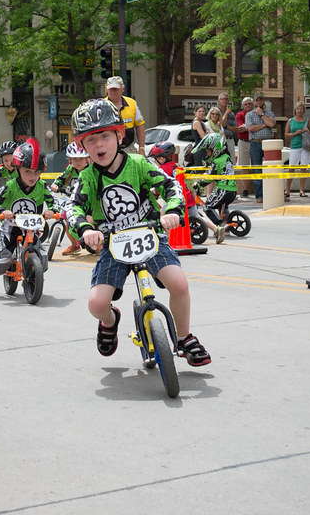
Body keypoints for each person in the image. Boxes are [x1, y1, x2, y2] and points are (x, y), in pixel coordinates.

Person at [67, 98, 211, 367]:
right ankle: (110, 322)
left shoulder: (138, 163)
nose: (99, 144)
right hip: (113, 245)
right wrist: (86, 229)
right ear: (82, 145)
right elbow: (72, 207)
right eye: (91, 140)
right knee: (96, 305)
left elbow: (170, 185)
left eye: (105, 136)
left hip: (149, 235)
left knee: (178, 283)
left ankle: (184, 337)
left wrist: (172, 211)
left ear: (119, 135)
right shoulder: (87, 177)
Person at [0, 138, 56, 287]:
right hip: (10, 228)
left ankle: (29, 275)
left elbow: (54, 200)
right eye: (27, 171)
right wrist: (2, 211)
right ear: (17, 169)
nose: (33, 176)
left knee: (43, 259)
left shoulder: (42, 186)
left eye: (37, 172)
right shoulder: (11, 186)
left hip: (31, 228)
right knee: (1, 264)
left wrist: (53, 210)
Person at [147, 141, 218, 243]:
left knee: (162, 217)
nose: (154, 162)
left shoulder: (163, 169)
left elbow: (161, 182)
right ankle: (216, 229)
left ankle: (165, 239)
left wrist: (154, 192)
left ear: (161, 158)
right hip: (187, 196)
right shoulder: (175, 166)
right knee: (196, 217)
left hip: (175, 199)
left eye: (155, 159)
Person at [190, 132, 236, 244]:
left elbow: (209, 178)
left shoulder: (217, 161)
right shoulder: (227, 157)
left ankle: (220, 225)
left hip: (223, 188)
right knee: (221, 204)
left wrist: (198, 184)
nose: (207, 154)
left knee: (207, 207)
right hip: (232, 190)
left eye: (208, 151)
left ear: (216, 149)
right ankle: (227, 221)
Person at [49, 142, 92, 255]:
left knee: (91, 221)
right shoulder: (70, 170)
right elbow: (60, 179)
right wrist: (56, 185)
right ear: (70, 160)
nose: (78, 162)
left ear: (87, 159)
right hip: (72, 201)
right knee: (69, 224)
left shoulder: (91, 171)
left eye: (81, 159)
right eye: (75, 159)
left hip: (88, 202)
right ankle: (74, 245)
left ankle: (98, 245)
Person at [245, 94, 276, 202]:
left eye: (260, 100)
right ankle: (259, 196)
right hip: (255, 143)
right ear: (254, 102)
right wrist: (264, 125)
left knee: (272, 168)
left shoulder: (269, 113)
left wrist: (262, 114)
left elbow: (271, 124)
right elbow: (250, 128)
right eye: (257, 100)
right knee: (256, 169)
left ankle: (273, 193)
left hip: (268, 144)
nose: (259, 102)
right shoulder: (249, 114)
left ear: (263, 101)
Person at [104, 76, 146, 154]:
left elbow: (140, 126)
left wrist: (141, 148)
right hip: (108, 150)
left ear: (122, 89)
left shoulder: (132, 103)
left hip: (129, 149)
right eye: (111, 89)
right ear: (106, 89)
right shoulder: (101, 105)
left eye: (116, 89)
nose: (113, 92)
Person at [284, 101, 310, 199]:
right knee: (291, 168)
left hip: (306, 147)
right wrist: (295, 133)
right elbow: (286, 134)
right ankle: (287, 190)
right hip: (295, 146)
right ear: (295, 110)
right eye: (298, 109)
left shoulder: (308, 121)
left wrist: (308, 131)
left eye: (301, 109)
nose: (299, 111)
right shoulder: (290, 121)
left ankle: (301, 189)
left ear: (304, 110)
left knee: (303, 168)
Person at [235, 96, 253, 198]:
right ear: (242, 106)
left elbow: (246, 127)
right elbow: (241, 128)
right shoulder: (240, 115)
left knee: (258, 165)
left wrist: (248, 127)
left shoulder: (257, 113)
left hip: (255, 141)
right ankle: (245, 189)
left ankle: (260, 188)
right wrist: (253, 127)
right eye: (245, 104)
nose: (247, 106)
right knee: (244, 166)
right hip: (243, 142)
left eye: (249, 104)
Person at [217, 92, 240, 161]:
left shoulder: (231, 114)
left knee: (231, 160)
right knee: (221, 161)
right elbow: (221, 124)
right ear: (219, 101)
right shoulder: (215, 112)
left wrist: (227, 126)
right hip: (219, 140)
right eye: (222, 99)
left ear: (228, 101)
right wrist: (226, 113)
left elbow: (237, 129)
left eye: (226, 99)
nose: (224, 100)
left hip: (230, 139)